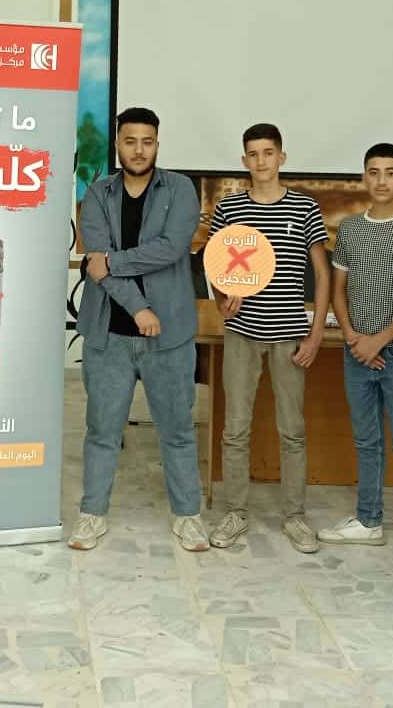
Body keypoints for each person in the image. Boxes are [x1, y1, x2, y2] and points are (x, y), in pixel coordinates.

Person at [69, 107, 207, 552]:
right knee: (101, 432)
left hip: (169, 337)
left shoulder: (180, 189)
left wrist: (112, 261)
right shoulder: (97, 193)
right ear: (118, 145)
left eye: (147, 142)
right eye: (130, 141)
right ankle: (92, 515)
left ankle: (188, 517)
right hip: (108, 336)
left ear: (157, 145)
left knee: (178, 431)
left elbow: (170, 248)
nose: (139, 150)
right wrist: (139, 308)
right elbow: (96, 264)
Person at [208, 123, 330, 554]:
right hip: (242, 333)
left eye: (268, 152)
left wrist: (315, 333)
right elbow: (216, 268)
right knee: (235, 429)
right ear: (244, 161)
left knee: (292, 430)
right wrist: (223, 298)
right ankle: (235, 513)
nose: (261, 161)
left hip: (290, 334)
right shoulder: (229, 208)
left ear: (282, 157)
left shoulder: (304, 207)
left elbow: (322, 273)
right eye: (253, 154)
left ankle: (295, 516)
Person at [322, 143, 393, 579]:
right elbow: (338, 290)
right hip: (356, 353)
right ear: (363, 177)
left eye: (390, 172)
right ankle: (368, 520)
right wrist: (353, 337)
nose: (382, 180)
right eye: (374, 171)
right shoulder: (350, 229)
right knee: (366, 441)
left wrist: (379, 341)